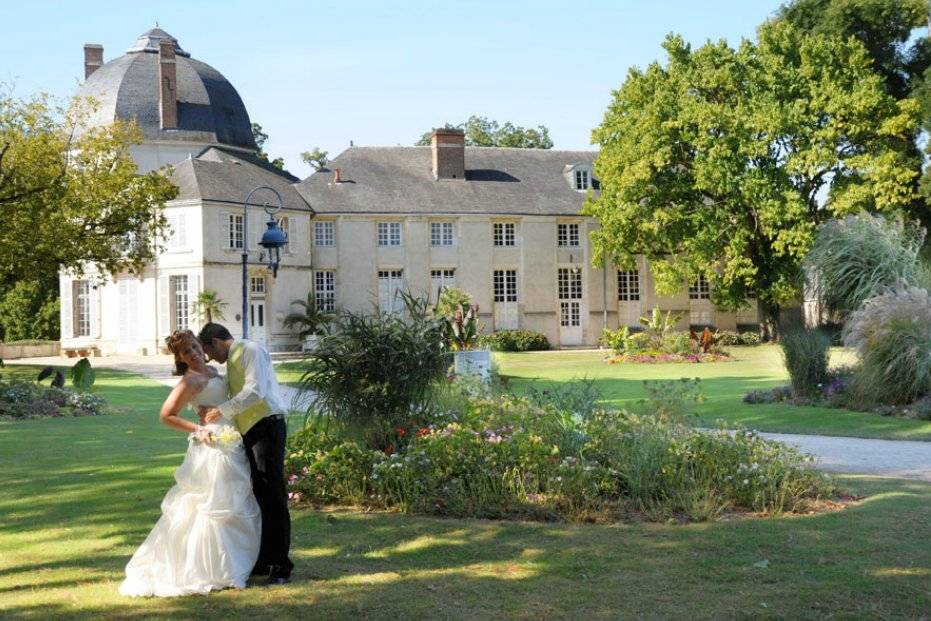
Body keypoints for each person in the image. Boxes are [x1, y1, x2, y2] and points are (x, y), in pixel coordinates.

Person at [119, 330, 261, 597]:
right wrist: (198, 429)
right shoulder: (191, 380)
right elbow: (166, 415)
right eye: (187, 352)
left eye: (195, 347)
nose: (193, 353)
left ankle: (234, 567)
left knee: (235, 502)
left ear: (202, 346)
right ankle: (215, 570)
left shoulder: (213, 371)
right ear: (181, 358)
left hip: (231, 440)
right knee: (212, 505)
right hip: (211, 445)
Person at [196, 322, 294, 585]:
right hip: (249, 430)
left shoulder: (251, 350)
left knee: (272, 494)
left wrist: (222, 410)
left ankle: (281, 564)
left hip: (267, 425)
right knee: (257, 494)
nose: (211, 359)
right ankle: (262, 559)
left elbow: (255, 391)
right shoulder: (230, 362)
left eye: (209, 352)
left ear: (215, 342)